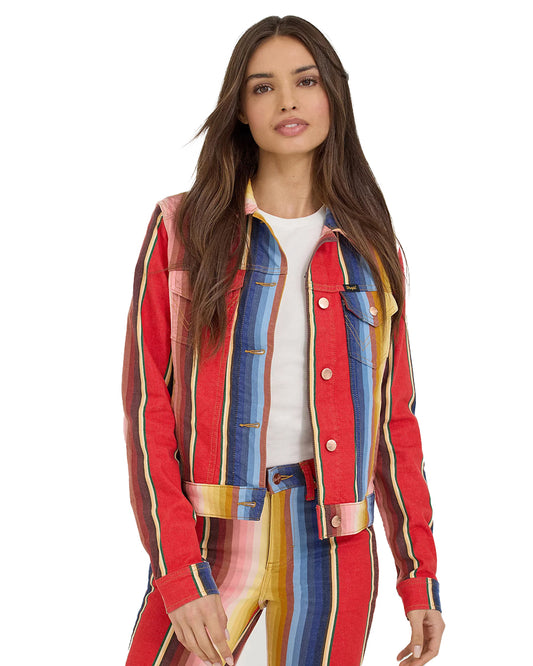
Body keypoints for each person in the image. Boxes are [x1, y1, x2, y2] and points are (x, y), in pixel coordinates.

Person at [122, 15, 445, 666]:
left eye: (306, 81)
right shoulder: (182, 230)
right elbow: (147, 409)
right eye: (263, 87)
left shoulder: (371, 249)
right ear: (240, 109)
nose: (288, 101)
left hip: (335, 551)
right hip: (211, 536)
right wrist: (177, 569)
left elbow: (394, 425)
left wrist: (419, 578)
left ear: (334, 96)